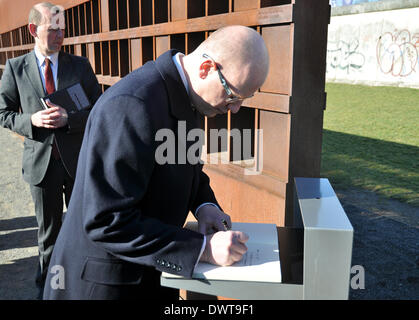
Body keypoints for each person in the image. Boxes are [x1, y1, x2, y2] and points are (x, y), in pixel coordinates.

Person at [43, 25, 269, 300]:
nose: (235, 109)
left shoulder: (189, 95)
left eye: (245, 99)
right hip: (106, 285)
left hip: (148, 272)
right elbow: (106, 221)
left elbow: (186, 165)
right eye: (233, 96)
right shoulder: (131, 105)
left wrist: (204, 205)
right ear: (206, 68)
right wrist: (202, 249)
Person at [0, 2, 102, 298]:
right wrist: (30, 120)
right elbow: (3, 113)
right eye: (53, 29)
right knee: (49, 235)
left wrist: (70, 119)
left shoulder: (80, 66)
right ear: (34, 30)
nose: (60, 36)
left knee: (82, 229)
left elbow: (98, 109)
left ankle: (79, 286)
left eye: (63, 29)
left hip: (76, 163)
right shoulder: (16, 68)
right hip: (41, 165)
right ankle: (48, 288)